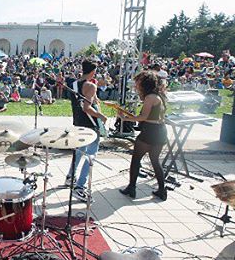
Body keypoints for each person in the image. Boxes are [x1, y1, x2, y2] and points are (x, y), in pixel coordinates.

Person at [118, 71, 168, 201]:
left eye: (138, 83)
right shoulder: (159, 95)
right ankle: (162, 190)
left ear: (144, 84)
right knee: (155, 161)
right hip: (160, 131)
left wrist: (125, 118)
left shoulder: (150, 97)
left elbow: (143, 117)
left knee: (136, 160)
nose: (136, 86)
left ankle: (132, 188)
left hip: (150, 131)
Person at [65, 60, 108, 203]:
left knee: (79, 151)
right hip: (90, 125)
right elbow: (87, 108)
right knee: (91, 156)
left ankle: (70, 177)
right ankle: (80, 187)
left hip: (78, 122)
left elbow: (81, 103)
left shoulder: (74, 84)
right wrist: (101, 116)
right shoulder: (90, 85)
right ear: (92, 72)